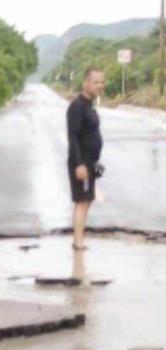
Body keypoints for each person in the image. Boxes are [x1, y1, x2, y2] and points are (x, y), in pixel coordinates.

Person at [67, 68, 105, 250]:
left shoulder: (90, 105)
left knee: (87, 200)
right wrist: (79, 164)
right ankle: (78, 241)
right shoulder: (77, 106)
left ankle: (79, 239)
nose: (100, 86)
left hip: (90, 161)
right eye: (96, 82)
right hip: (81, 162)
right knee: (82, 201)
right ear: (86, 83)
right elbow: (72, 136)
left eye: (102, 82)